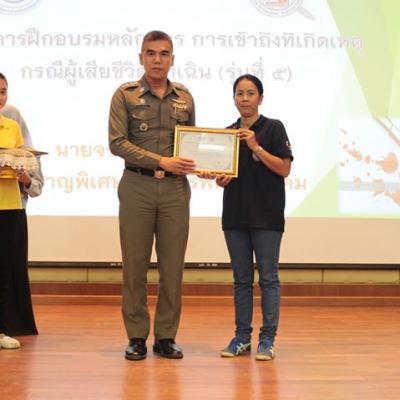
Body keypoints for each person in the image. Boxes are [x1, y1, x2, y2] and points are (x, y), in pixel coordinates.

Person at [108, 30, 196, 361]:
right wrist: (161, 161)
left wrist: (202, 164)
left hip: (175, 190)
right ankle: (136, 336)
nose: (157, 59)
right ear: (141, 57)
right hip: (137, 187)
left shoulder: (185, 97)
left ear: (172, 59)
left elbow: (192, 142)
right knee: (135, 267)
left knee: (173, 269)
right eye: (151, 53)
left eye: (164, 53)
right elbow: (117, 143)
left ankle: (166, 336)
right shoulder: (125, 95)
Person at [217, 74, 293, 361]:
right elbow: (221, 172)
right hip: (235, 216)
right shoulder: (227, 134)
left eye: (250, 93)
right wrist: (219, 178)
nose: (245, 98)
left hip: (267, 216)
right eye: (240, 93)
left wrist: (256, 147)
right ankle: (242, 338)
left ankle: (267, 340)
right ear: (233, 98)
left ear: (261, 97)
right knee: (241, 280)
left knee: (269, 279)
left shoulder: (273, 128)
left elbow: (284, 169)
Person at [0, 73, 42, 349]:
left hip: (9, 205)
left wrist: (23, 175)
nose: (0, 97)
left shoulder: (12, 126)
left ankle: (2, 330)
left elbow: (21, 161)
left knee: (3, 272)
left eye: (3, 91)